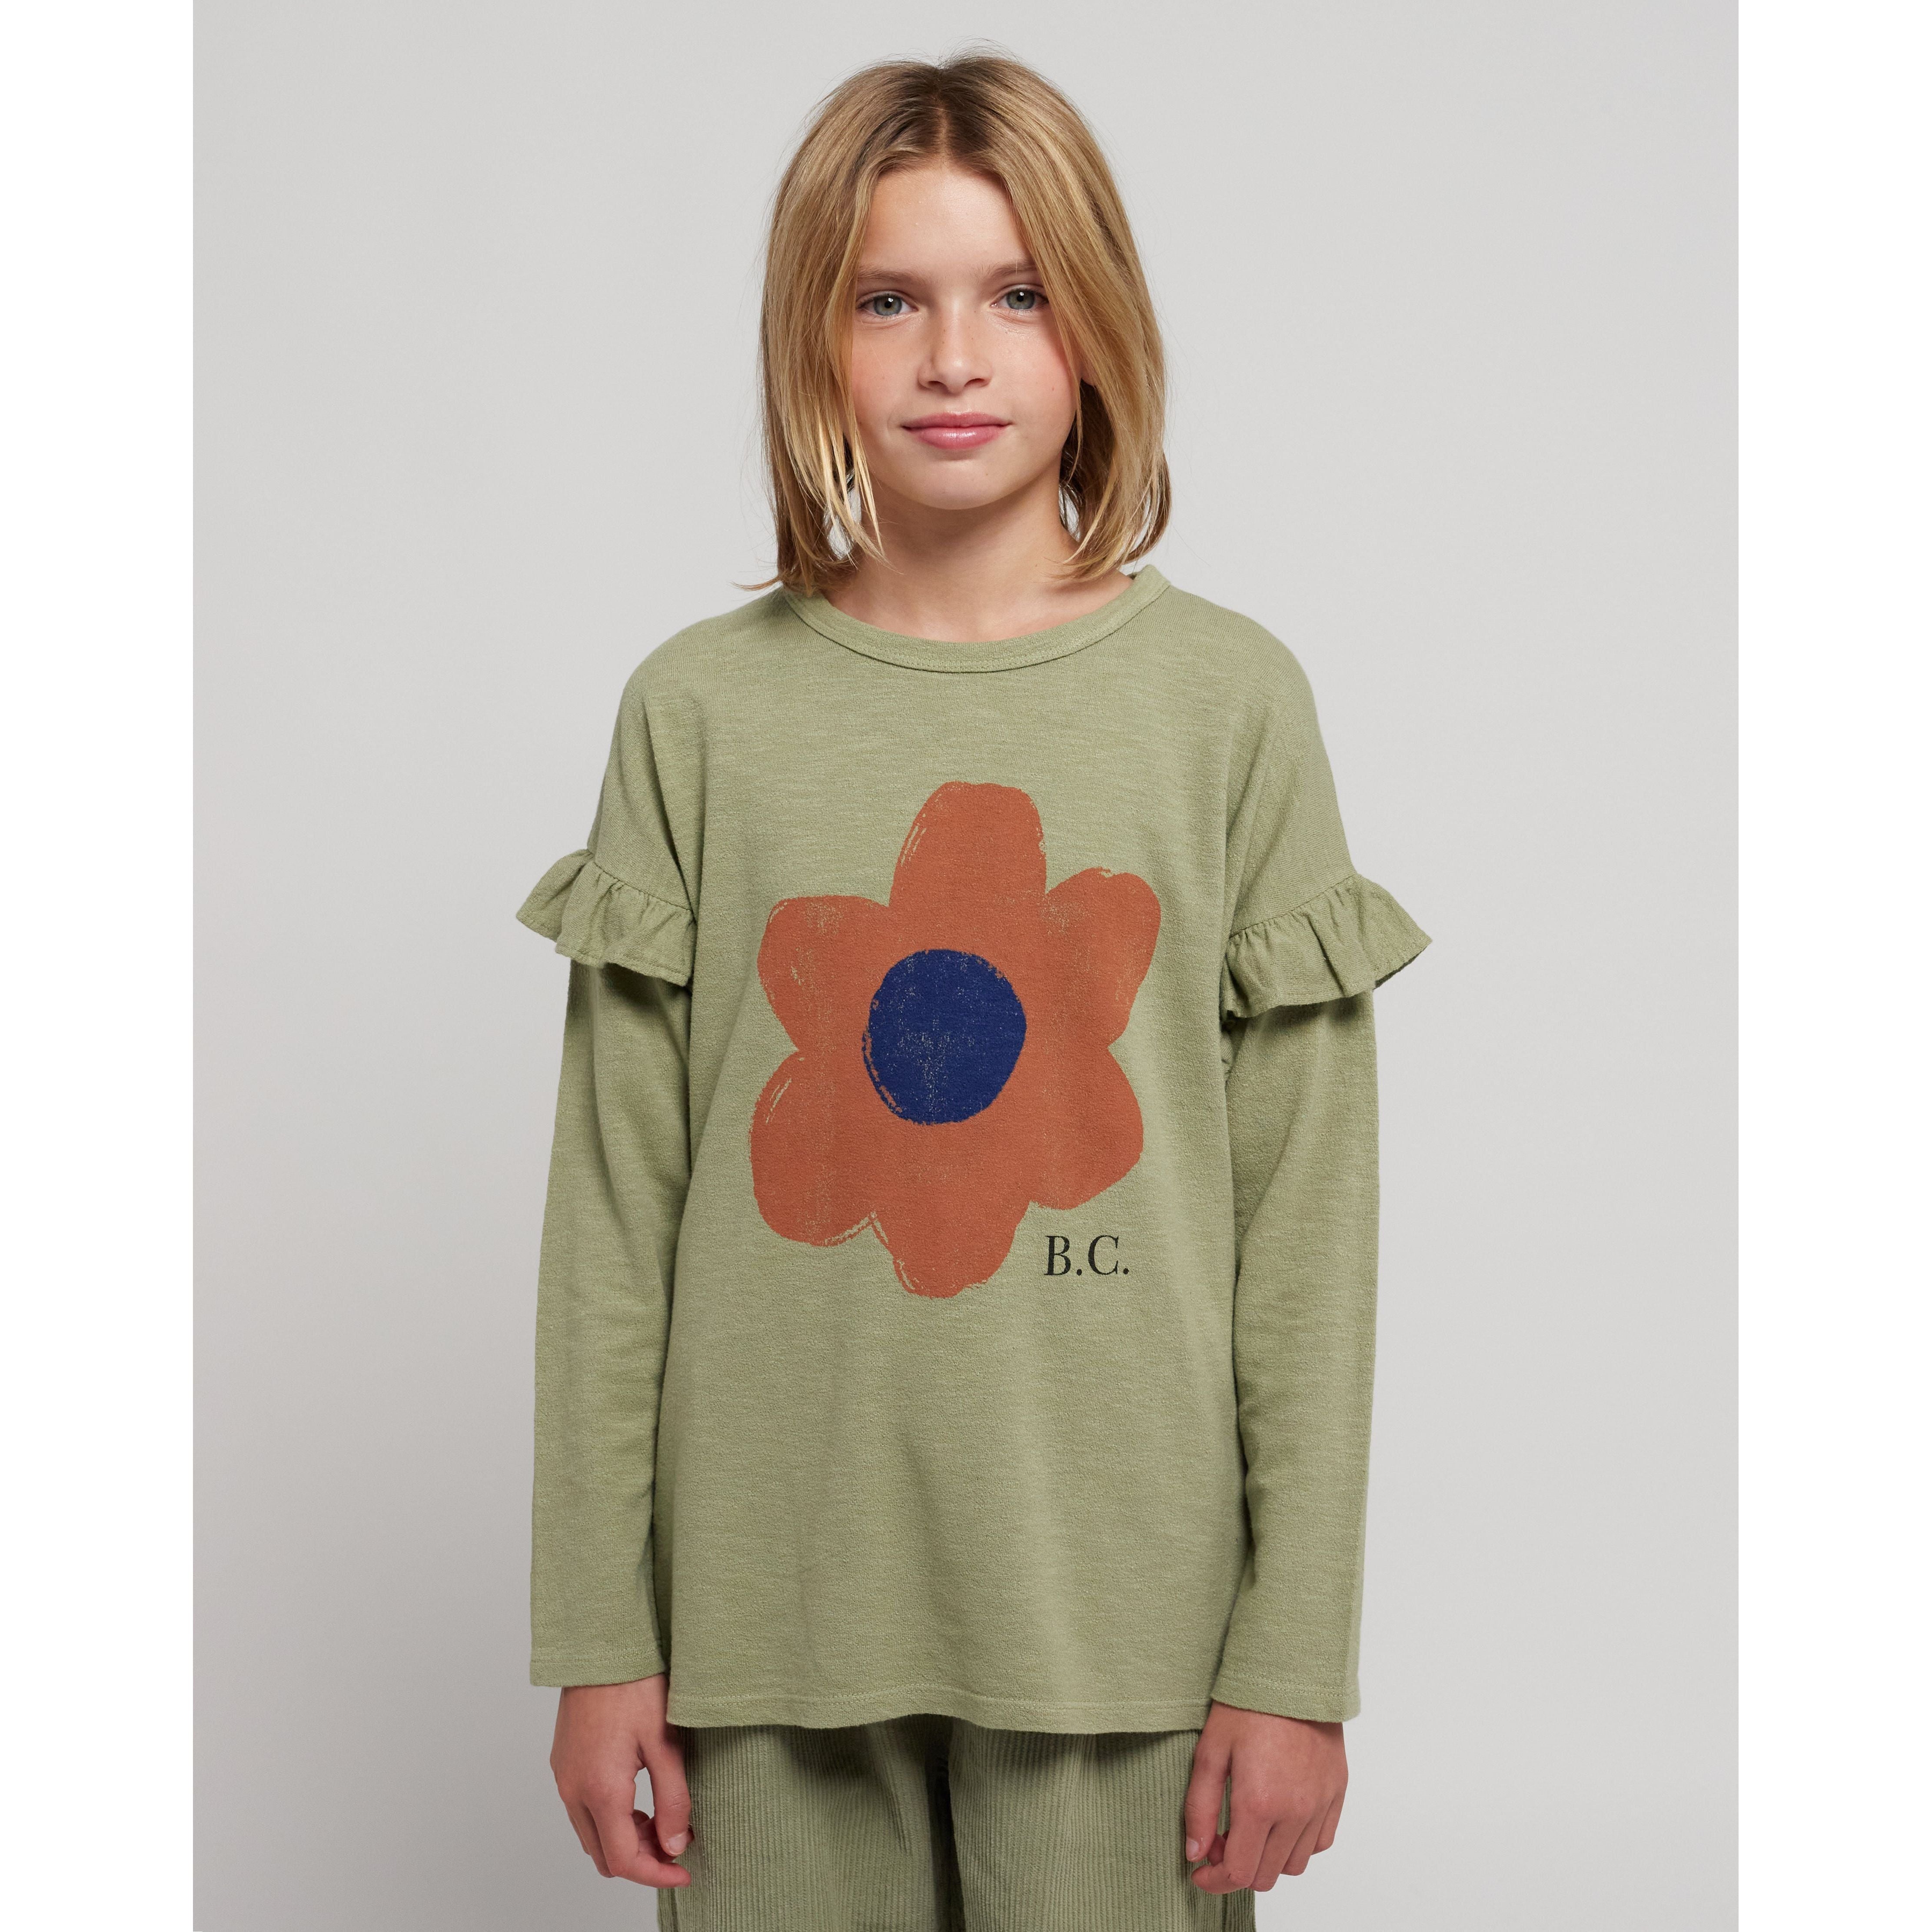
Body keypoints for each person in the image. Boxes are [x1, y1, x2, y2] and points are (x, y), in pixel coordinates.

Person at [516, 52, 1429, 1932]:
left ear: (1097, 329)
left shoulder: (1230, 708)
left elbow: (1305, 1234)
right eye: (889, 299)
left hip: (1126, 1636)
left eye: (1016, 294)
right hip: (766, 1626)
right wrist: (601, 1636)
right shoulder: (697, 714)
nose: (954, 356)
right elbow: (616, 1216)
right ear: (814, 335)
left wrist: (1293, 1655)